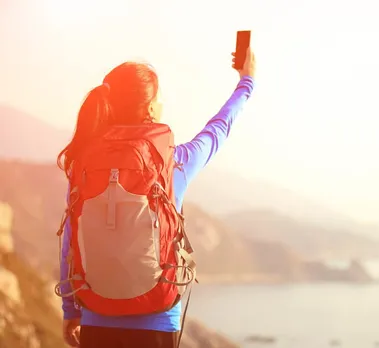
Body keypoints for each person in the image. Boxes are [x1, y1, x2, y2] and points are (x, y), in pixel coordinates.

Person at [57, 47, 256, 348]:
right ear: (150, 108)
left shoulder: (83, 163)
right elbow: (219, 128)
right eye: (159, 97)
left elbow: (70, 240)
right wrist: (247, 81)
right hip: (157, 320)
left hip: (96, 316)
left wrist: (71, 310)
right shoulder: (175, 162)